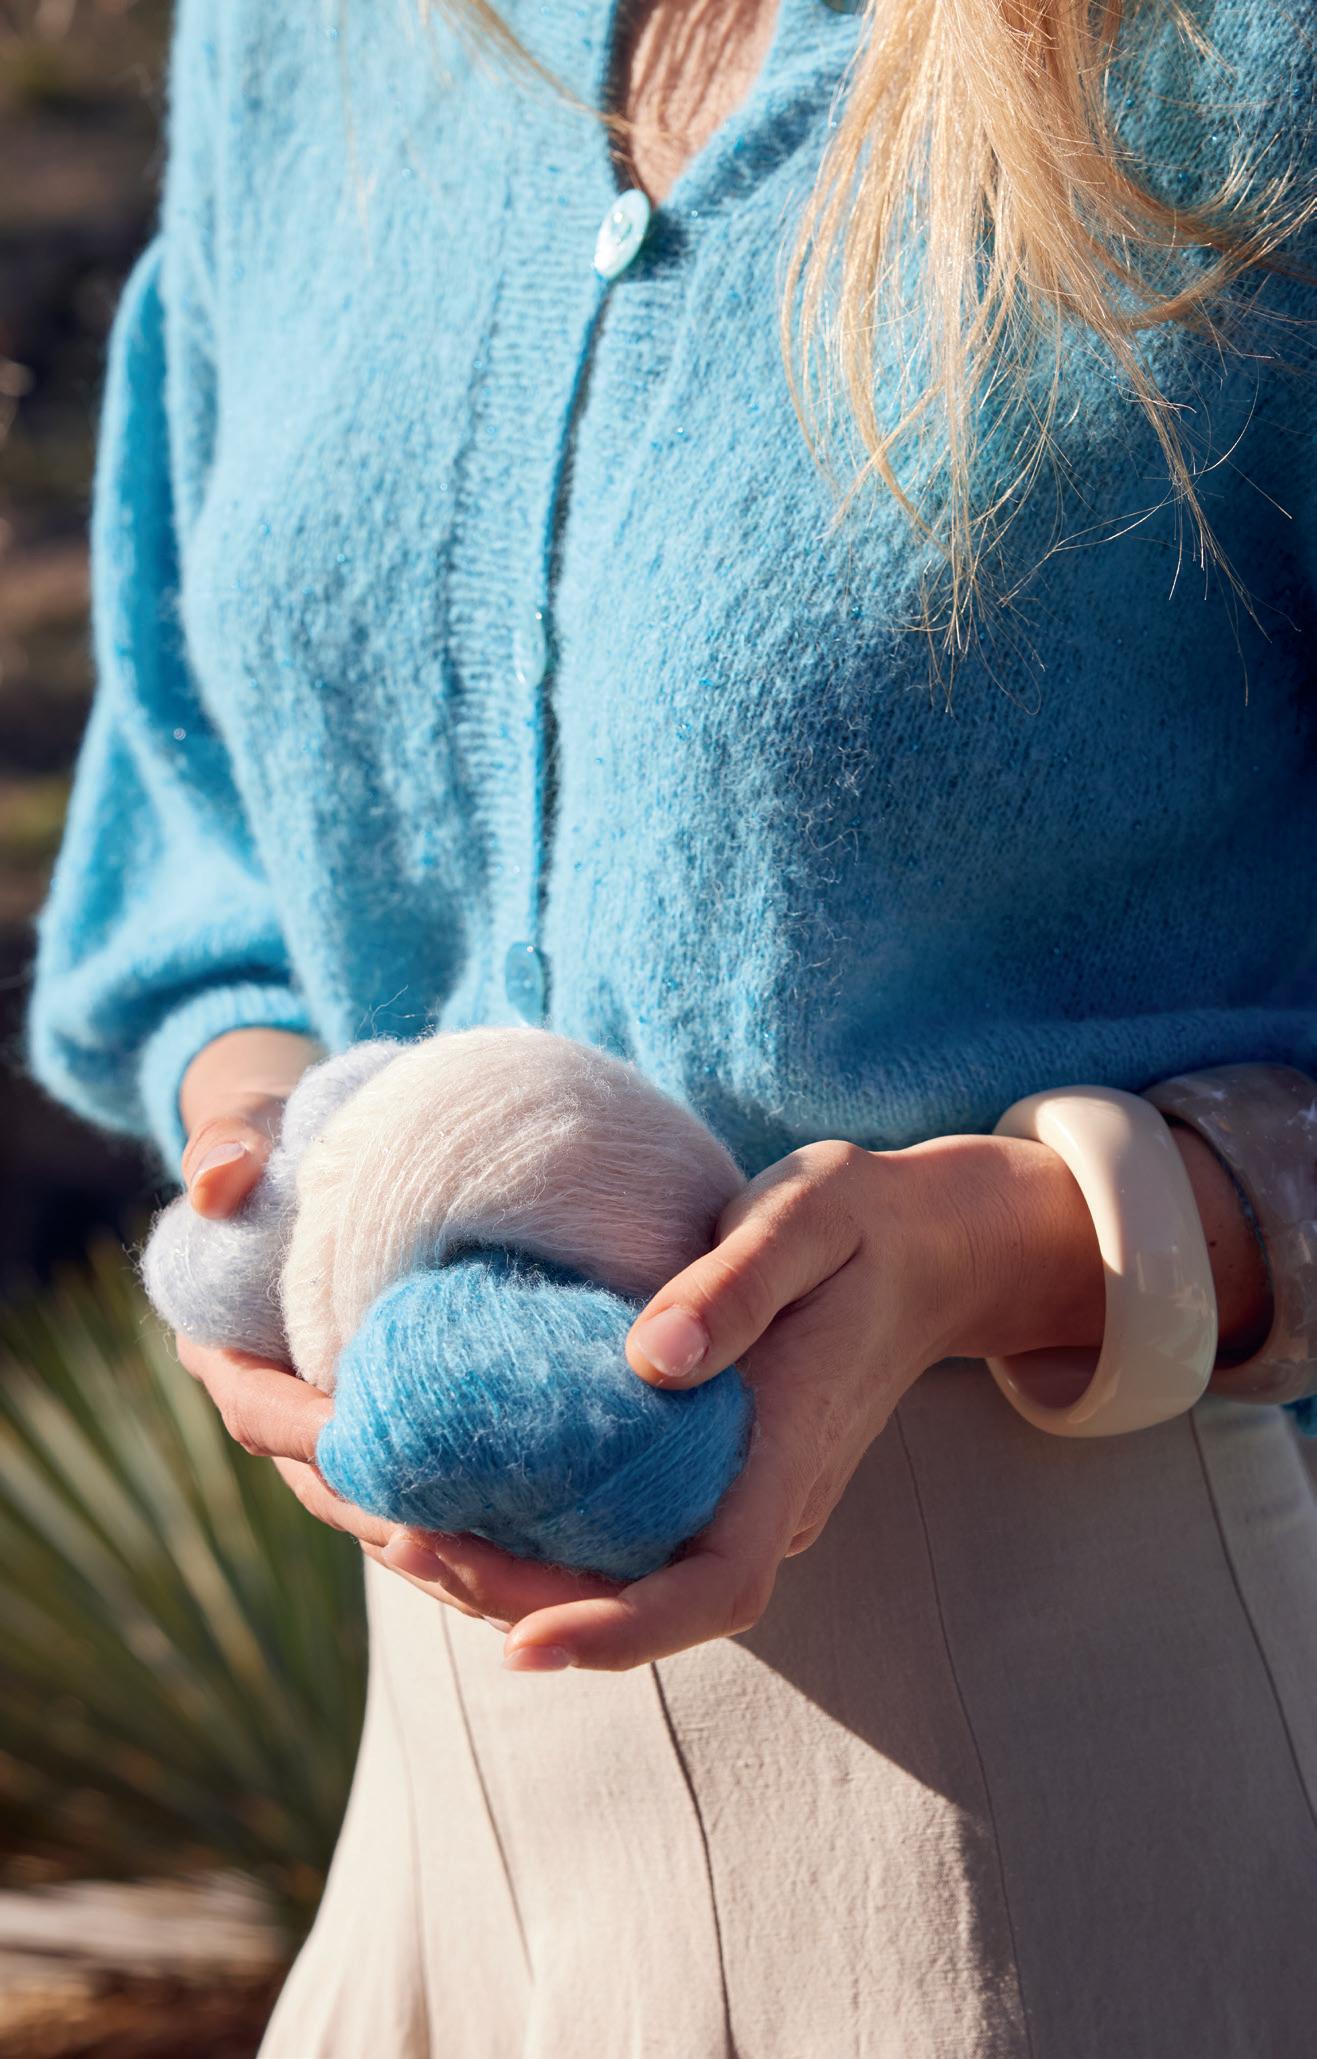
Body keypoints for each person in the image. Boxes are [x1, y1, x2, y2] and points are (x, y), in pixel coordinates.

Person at [26, 0, 1317, 2051]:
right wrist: (271, 1158)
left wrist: (1000, 1244)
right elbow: (206, 843)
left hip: (1079, 1857)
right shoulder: (300, 40)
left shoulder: (1241, 64)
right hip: (431, 1847)